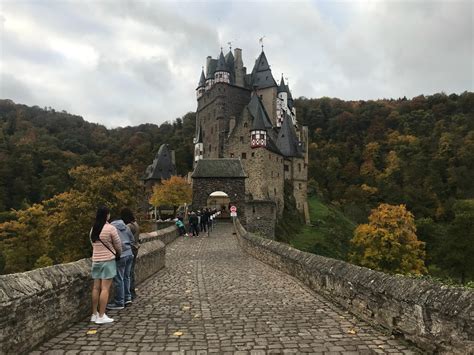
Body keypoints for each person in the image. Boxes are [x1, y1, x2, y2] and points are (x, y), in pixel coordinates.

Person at [90, 206, 122, 324]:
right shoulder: (110, 228)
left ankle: (94, 314)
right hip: (107, 260)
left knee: (95, 288)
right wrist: (118, 253)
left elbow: (92, 243)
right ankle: (101, 316)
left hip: (96, 260)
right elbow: (118, 244)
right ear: (106, 215)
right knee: (105, 288)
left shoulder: (94, 229)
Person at [107, 217, 135, 310]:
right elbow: (132, 240)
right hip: (129, 253)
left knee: (119, 279)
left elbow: (112, 242)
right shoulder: (126, 227)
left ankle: (119, 302)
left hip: (121, 255)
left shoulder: (111, 227)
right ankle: (127, 298)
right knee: (127, 277)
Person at [121, 208, 140, 300]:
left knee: (128, 273)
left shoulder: (129, 226)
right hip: (135, 249)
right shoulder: (135, 224)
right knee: (131, 271)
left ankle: (129, 293)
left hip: (130, 250)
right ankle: (132, 292)